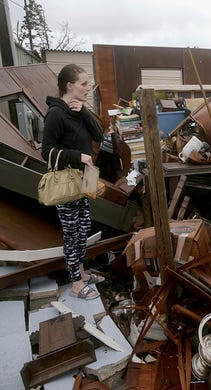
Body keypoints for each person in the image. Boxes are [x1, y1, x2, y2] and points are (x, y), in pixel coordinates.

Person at [41, 64, 105, 300]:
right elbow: (46, 151)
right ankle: (77, 283)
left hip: (84, 180)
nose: (88, 88)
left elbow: (99, 136)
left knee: (83, 229)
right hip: (68, 181)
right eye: (84, 84)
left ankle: (81, 272)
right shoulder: (56, 114)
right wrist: (77, 156)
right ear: (69, 86)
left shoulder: (77, 111)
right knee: (71, 234)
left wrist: (85, 112)